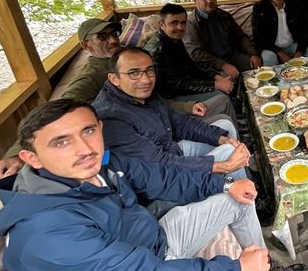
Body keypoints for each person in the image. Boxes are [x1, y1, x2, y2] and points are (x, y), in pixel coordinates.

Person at [0, 99, 308, 271]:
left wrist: (225, 182)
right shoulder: (48, 235)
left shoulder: (101, 163)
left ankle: (267, 269)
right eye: (61, 142)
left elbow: (164, 178)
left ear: (99, 129)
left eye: (87, 131)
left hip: (155, 238)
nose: (83, 148)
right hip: (153, 263)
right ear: (31, 158)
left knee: (236, 197)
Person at [0, 17, 233, 184]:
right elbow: (49, 115)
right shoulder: (92, 79)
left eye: (114, 33)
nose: (113, 40)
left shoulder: (134, 60)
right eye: (103, 37)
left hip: (162, 131)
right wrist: (16, 154)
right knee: (223, 136)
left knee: (225, 132)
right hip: (143, 152)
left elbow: (162, 105)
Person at [92, 47, 249, 180]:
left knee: (225, 129)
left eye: (149, 70)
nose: (145, 79)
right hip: (160, 179)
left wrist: (220, 138)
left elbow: (179, 122)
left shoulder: (142, 94)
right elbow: (159, 164)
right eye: (134, 73)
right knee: (229, 152)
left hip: (171, 150)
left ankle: (243, 176)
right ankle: (241, 189)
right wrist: (222, 166)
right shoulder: (111, 118)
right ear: (114, 79)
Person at [144, 4, 237, 109]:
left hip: (181, 86)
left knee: (223, 78)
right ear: (162, 24)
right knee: (221, 97)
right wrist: (215, 85)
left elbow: (192, 66)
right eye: (174, 23)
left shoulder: (175, 40)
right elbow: (177, 85)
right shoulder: (159, 49)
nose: (180, 27)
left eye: (183, 23)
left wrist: (216, 76)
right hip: (167, 99)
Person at [185, 0, 262, 79]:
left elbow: (241, 37)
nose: (209, 1)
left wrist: (253, 54)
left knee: (259, 69)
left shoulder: (224, 15)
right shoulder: (191, 22)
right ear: (195, 2)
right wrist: (222, 65)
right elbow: (196, 53)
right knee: (229, 79)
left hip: (232, 56)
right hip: (210, 64)